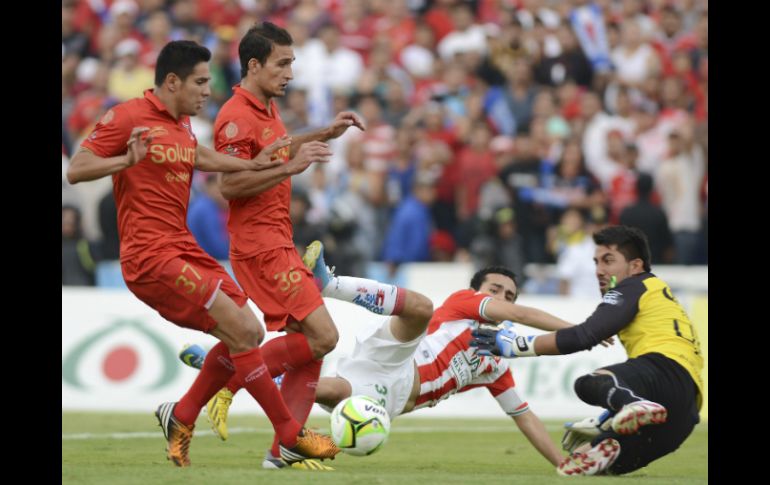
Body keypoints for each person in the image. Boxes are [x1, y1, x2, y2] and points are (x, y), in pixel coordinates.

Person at [66, 40, 339, 467]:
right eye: (199, 82)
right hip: (150, 258)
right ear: (172, 81)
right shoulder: (127, 117)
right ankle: (289, 434)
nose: (207, 90)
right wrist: (124, 160)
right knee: (242, 331)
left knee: (247, 333)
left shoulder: (181, 125)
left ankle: (183, 412)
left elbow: (202, 158)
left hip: (182, 247)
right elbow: (77, 168)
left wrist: (258, 163)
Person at [184, 245, 590, 469]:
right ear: (478, 290)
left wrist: (561, 463)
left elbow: (524, 415)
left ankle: (233, 368)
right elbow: (518, 316)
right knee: (419, 309)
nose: (501, 298)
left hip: (391, 400)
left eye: (509, 294)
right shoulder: (466, 303)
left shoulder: (495, 362)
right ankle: (330, 283)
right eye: (495, 289)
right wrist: (576, 330)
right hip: (400, 358)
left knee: (324, 391)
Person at [209, 22, 367, 468]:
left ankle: (284, 449)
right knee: (324, 336)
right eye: (283, 63)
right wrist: (291, 168)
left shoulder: (263, 108)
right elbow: (230, 184)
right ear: (254, 64)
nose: (291, 74)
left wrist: (322, 134)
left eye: (293, 63)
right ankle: (227, 380)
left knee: (309, 347)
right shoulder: (237, 115)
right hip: (261, 246)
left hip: (278, 240)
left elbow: (278, 148)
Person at [471, 225, 703, 476]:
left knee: (588, 383)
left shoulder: (634, 285)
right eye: (596, 262)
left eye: (608, 261)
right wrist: (604, 421)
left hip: (662, 372)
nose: (599, 271)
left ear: (635, 266)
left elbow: (584, 335)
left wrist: (514, 346)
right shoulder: (657, 293)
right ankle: (615, 423)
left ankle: (632, 404)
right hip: (686, 411)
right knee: (586, 461)